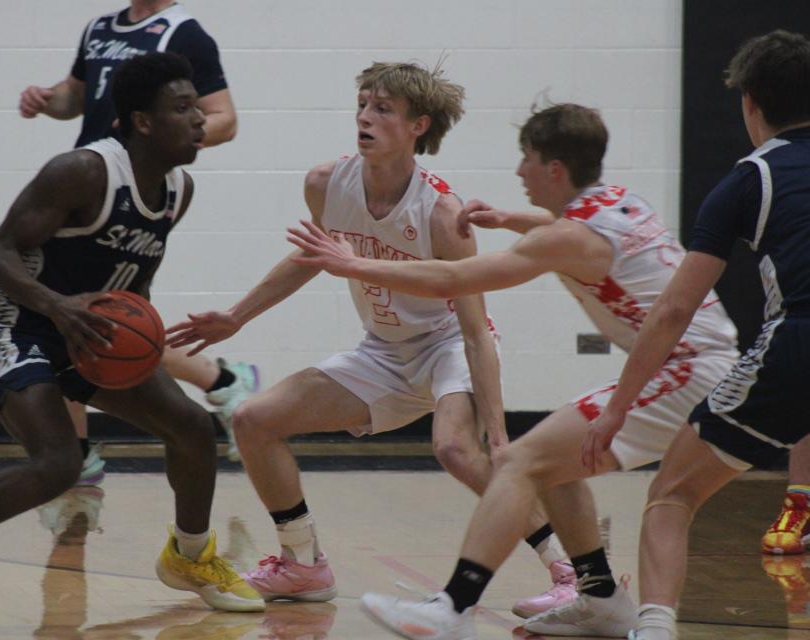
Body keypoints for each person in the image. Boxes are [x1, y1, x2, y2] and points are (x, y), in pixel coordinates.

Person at [287, 101, 740, 638]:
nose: (519, 171)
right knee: (553, 458)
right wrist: (506, 218)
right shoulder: (620, 202)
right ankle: (599, 595)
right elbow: (563, 227)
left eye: (526, 159)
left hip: (685, 370)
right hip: (711, 364)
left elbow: (450, 280)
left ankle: (452, 609)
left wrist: (352, 264)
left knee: (522, 460)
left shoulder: (564, 239)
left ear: (552, 168)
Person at [0, 52, 263, 637]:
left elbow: (133, 278)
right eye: (182, 108)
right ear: (143, 121)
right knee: (59, 464)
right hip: (11, 318)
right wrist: (57, 306)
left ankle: (190, 555)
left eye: (197, 106)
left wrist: (136, 334)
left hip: (86, 329)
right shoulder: (82, 171)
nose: (200, 118)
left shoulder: (179, 190)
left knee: (192, 428)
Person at [167, 61, 576, 615]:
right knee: (253, 420)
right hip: (383, 351)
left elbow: (477, 331)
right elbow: (312, 257)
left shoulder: (441, 214)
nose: (364, 117)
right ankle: (303, 564)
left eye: (382, 108)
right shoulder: (325, 182)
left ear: (418, 126)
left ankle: (568, 570)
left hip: (448, 343)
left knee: (457, 449)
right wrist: (237, 317)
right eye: (362, 104)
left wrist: (500, 435)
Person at [582, 30, 810, 640]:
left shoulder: (749, 179)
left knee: (671, 496)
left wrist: (617, 409)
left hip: (797, 348)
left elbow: (672, 310)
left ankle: (655, 628)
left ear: (750, 104)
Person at [19, 0, 256, 469]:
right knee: (79, 318)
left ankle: (80, 459)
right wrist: (48, 99)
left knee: (98, 320)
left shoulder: (185, 33)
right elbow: (77, 96)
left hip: (134, 186)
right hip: (88, 184)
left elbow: (224, 119)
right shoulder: (100, 26)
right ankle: (219, 382)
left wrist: (167, 137)